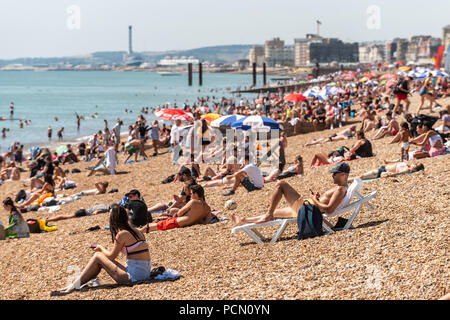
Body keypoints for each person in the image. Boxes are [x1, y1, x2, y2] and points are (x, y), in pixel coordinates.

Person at [53, 205, 151, 295]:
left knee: (97, 257)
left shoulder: (122, 234)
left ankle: (73, 285)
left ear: (113, 219)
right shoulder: (137, 231)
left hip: (134, 277)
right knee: (105, 258)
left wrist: (100, 248)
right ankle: (83, 281)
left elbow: (112, 256)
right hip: (145, 273)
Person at [231, 163, 352, 225]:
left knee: (281, 184)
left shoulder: (340, 189)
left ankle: (267, 215)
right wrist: (318, 199)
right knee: (274, 212)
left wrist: (314, 199)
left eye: (335, 173)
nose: (332, 175)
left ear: (343, 175)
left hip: (308, 209)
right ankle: (243, 220)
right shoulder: (340, 188)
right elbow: (328, 205)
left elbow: (330, 209)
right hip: (308, 208)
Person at [140, 184, 211, 232]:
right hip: (186, 224)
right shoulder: (208, 208)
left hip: (177, 222)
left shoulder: (193, 202)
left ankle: (139, 231)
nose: (190, 195)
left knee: (156, 225)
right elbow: (206, 222)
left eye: (191, 193)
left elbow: (180, 213)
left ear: (195, 194)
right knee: (159, 222)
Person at [352, 162, 424, 181]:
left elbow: (398, 173)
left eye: (415, 165)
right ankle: (347, 180)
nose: (414, 164)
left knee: (361, 177)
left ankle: (346, 180)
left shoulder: (408, 170)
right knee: (361, 176)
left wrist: (388, 176)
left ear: (415, 169)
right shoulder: (407, 165)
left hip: (381, 172)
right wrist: (388, 161)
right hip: (382, 168)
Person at [45, 203, 115, 223]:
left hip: (83, 210)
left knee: (66, 216)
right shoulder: (105, 209)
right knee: (66, 217)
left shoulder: (104, 205)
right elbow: (96, 212)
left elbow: (96, 205)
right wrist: (92, 215)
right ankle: (49, 219)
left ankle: (50, 219)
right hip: (83, 213)